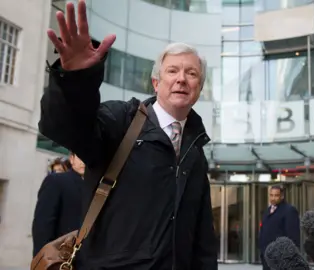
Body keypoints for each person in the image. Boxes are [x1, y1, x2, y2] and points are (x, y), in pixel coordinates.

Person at [39, 1, 217, 269]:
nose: (182, 79)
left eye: (191, 73)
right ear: (156, 83)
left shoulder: (195, 148)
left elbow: (203, 238)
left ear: (199, 89)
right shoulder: (121, 121)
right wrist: (76, 79)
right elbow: (63, 126)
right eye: (173, 71)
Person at [32, 153, 85, 256]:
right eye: (80, 156)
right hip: (61, 257)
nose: (84, 161)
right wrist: (43, 260)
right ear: (72, 159)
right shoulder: (56, 180)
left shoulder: (100, 187)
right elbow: (43, 225)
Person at [258, 186, 300, 270]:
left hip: (280, 256)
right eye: (271, 195)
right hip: (266, 255)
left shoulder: (289, 210)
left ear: (282, 196)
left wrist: (288, 255)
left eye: (276, 195)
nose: (273, 198)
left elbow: (293, 235)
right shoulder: (267, 210)